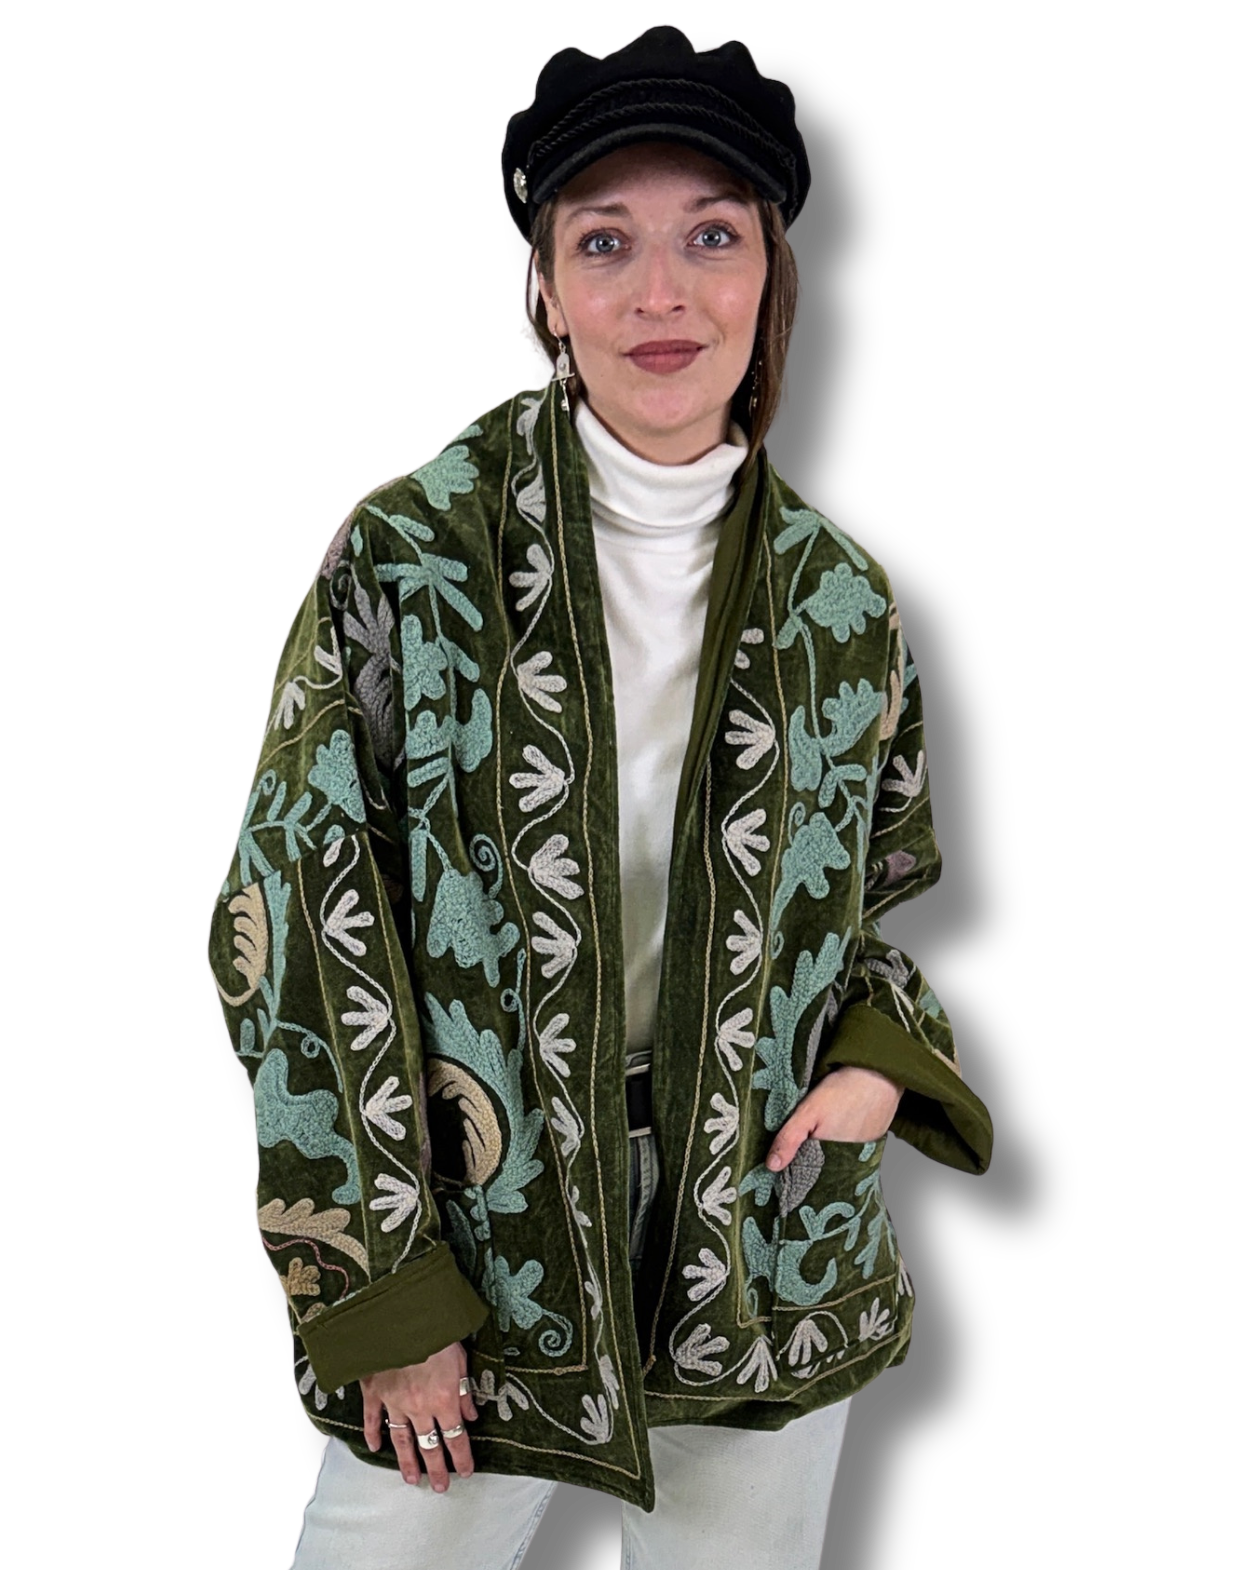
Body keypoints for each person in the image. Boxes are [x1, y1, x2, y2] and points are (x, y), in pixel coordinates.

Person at [206, 24, 993, 1570]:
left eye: (713, 235)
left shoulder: (843, 596)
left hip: (760, 1237)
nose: (662, 294)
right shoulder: (413, 555)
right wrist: (381, 1288)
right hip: (478, 1223)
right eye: (606, 241)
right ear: (544, 290)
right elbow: (288, 915)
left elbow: (882, 889)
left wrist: (878, 1065)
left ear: (770, 275)